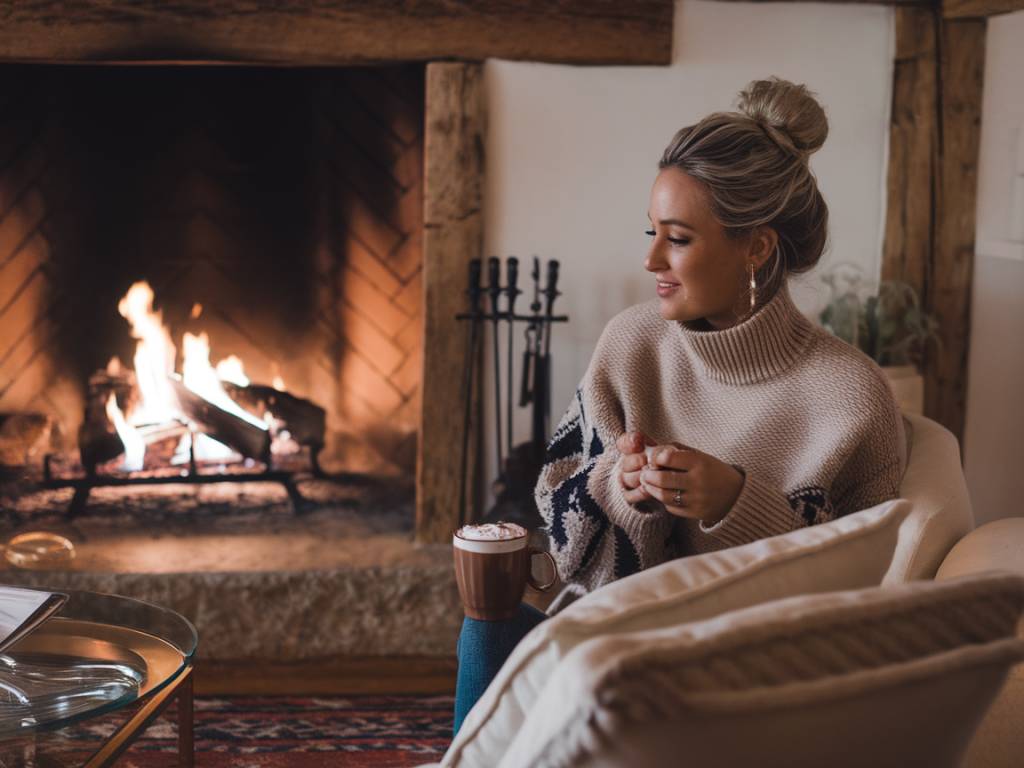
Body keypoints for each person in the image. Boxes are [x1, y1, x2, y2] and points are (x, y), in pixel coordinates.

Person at [453, 75, 907, 734]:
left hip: (744, 690)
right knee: (486, 634)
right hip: (606, 648)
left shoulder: (851, 395)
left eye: (679, 238)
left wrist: (737, 505)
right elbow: (558, 525)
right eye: (652, 231)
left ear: (756, 246)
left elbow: (870, 598)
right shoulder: (631, 343)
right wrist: (616, 486)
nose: (651, 258)